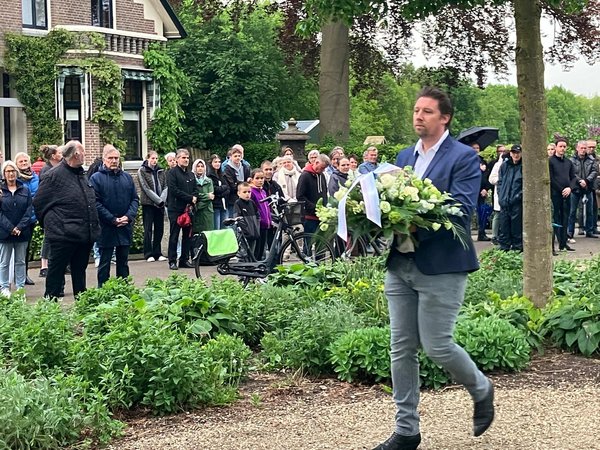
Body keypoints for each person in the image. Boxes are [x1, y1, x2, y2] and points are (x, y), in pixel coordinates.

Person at [374, 87, 494, 450]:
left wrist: (416, 221)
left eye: (427, 111)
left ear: (445, 118)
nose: (418, 116)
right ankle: (406, 431)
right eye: (416, 110)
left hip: (442, 266)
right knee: (401, 347)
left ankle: (480, 387)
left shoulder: (463, 158)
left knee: (438, 346)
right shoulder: (402, 155)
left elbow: (460, 209)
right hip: (400, 263)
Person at [33, 140, 99, 299]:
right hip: (62, 236)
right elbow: (38, 203)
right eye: (83, 152)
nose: (84, 155)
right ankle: (50, 311)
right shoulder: (53, 176)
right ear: (76, 154)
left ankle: (82, 307)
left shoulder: (80, 173)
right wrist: (52, 226)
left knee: (79, 273)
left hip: (83, 235)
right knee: (56, 272)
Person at [90, 145, 139, 287]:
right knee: (104, 262)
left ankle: (123, 289)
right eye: (110, 158)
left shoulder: (127, 178)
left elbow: (135, 199)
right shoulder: (96, 178)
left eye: (116, 158)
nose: (114, 161)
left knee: (123, 262)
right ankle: (103, 291)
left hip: (125, 226)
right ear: (104, 159)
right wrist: (112, 219)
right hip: (106, 227)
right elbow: (95, 203)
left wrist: (128, 216)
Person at [0, 161, 33, 297]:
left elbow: (29, 209)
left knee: (20, 261)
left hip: (22, 232)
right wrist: (10, 228)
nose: (11, 174)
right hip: (4, 233)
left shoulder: (24, 189)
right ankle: (4, 287)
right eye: (8, 171)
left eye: (13, 171)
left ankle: (20, 288)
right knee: (4, 262)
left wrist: (19, 227)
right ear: (4, 174)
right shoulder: (1, 190)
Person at [166, 149, 198, 270]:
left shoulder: (190, 174)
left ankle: (184, 259)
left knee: (187, 236)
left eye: (187, 158)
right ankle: (172, 260)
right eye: (183, 157)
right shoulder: (172, 173)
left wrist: (195, 197)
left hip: (188, 209)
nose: (186, 160)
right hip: (175, 209)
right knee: (174, 235)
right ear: (177, 159)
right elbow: (174, 190)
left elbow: (195, 189)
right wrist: (190, 198)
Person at [137, 151, 168, 262]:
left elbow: (165, 186)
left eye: (156, 158)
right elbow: (145, 188)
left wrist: (162, 200)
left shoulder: (161, 171)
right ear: (148, 159)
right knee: (148, 229)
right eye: (152, 158)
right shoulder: (142, 170)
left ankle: (157, 252)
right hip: (148, 204)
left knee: (159, 229)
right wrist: (157, 200)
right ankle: (148, 253)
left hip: (160, 204)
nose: (154, 161)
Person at [38, 144, 63, 278]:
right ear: (53, 155)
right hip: (51, 209)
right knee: (48, 237)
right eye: (60, 152)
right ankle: (44, 265)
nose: (62, 154)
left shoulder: (57, 168)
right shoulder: (46, 170)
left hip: (58, 209)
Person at [15, 152, 39, 286]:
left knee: (26, 248)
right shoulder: (16, 179)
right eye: (21, 162)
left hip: (32, 217)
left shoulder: (35, 177)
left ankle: (24, 274)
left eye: (26, 161)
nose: (24, 164)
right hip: (19, 218)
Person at [549, 137, 577, 252]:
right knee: (555, 219)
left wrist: (570, 188)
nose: (562, 149)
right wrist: (562, 189)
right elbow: (551, 178)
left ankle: (563, 243)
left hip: (567, 194)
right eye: (560, 146)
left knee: (565, 218)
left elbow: (574, 177)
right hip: (555, 194)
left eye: (564, 146)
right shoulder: (550, 161)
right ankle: (552, 247)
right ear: (556, 147)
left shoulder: (568, 162)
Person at [567, 140, 598, 239]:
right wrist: (580, 181)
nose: (583, 150)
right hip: (576, 188)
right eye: (582, 148)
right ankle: (570, 232)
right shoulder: (571, 160)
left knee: (590, 210)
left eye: (585, 148)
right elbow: (571, 173)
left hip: (588, 187)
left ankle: (589, 231)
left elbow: (594, 171)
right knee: (572, 211)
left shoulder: (591, 160)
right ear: (577, 148)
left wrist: (587, 181)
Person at [497, 144, 523, 251]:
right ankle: (504, 250)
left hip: (516, 202)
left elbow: (525, 185)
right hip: (504, 202)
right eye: (514, 153)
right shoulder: (505, 165)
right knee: (504, 228)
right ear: (511, 153)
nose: (516, 155)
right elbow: (500, 182)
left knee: (516, 229)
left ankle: (517, 250)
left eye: (518, 153)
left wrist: (518, 196)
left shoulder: (523, 166)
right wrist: (501, 196)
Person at [296, 153, 330, 236]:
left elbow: (324, 193)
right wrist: (314, 207)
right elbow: (300, 196)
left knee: (321, 242)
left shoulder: (321, 175)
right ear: (317, 162)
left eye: (324, 168)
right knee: (308, 242)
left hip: (321, 215)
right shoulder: (305, 176)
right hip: (309, 216)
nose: (323, 170)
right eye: (322, 168)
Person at [249, 168, 273, 260]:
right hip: (258, 225)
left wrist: (269, 220)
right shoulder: (252, 192)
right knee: (257, 250)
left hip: (265, 225)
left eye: (262, 178)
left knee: (262, 248)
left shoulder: (263, 191)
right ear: (252, 179)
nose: (260, 180)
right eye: (257, 178)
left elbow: (266, 207)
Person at [233, 182, 260, 258]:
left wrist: (257, 226)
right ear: (238, 193)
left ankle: (250, 266)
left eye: (249, 192)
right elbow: (237, 218)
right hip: (244, 234)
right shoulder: (238, 203)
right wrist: (245, 229)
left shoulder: (252, 202)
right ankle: (241, 267)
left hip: (254, 232)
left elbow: (257, 215)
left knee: (252, 253)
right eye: (244, 192)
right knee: (243, 253)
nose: (247, 194)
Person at [488, 145, 508, 245]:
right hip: (499, 191)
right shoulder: (497, 165)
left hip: (509, 193)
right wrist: (500, 181)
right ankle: (494, 235)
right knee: (497, 214)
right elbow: (491, 179)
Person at [224, 146, 251, 218]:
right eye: (235, 156)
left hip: (244, 198)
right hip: (232, 199)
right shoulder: (227, 169)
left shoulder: (245, 167)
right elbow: (232, 185)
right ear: (231, 157)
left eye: (239, 156)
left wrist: (239, 183)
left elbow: (248, 181)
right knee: (233, 219)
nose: (237, 158)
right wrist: (242, 183)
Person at [191, 158, 215, 234]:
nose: (200, 168)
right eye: (198, 166)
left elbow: (211, 197)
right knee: (196, 234)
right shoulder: (191, 180)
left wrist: (202, 199)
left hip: (208, 211)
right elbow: (194, 195)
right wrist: (206, 196)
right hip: (196, 211)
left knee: (208, 234)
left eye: (202, 166)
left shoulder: (209, 180)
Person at [206, 154, 230, 230]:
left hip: (224, 205)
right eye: (215, 162)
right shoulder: (209, 176)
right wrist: (223, 189)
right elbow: (215, 190)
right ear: (211, 163)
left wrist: (222, 191)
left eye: (219, 162)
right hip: (215, 206)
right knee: (217, 228)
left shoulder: (222, 175)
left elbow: (228, 188)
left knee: (225, 229)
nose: (217, 163)